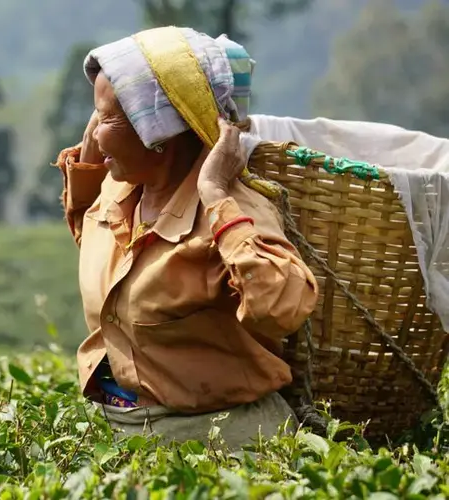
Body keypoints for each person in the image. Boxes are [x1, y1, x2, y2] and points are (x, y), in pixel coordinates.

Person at [54, 27, 319, 450]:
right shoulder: (120, 193)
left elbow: (282, 309)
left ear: (156, 132)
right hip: (114, 427)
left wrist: (215, 197)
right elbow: (97, 253)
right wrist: (89, 161)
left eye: (106, 119)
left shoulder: (235, 210)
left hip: (216, 439)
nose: (93, 133)